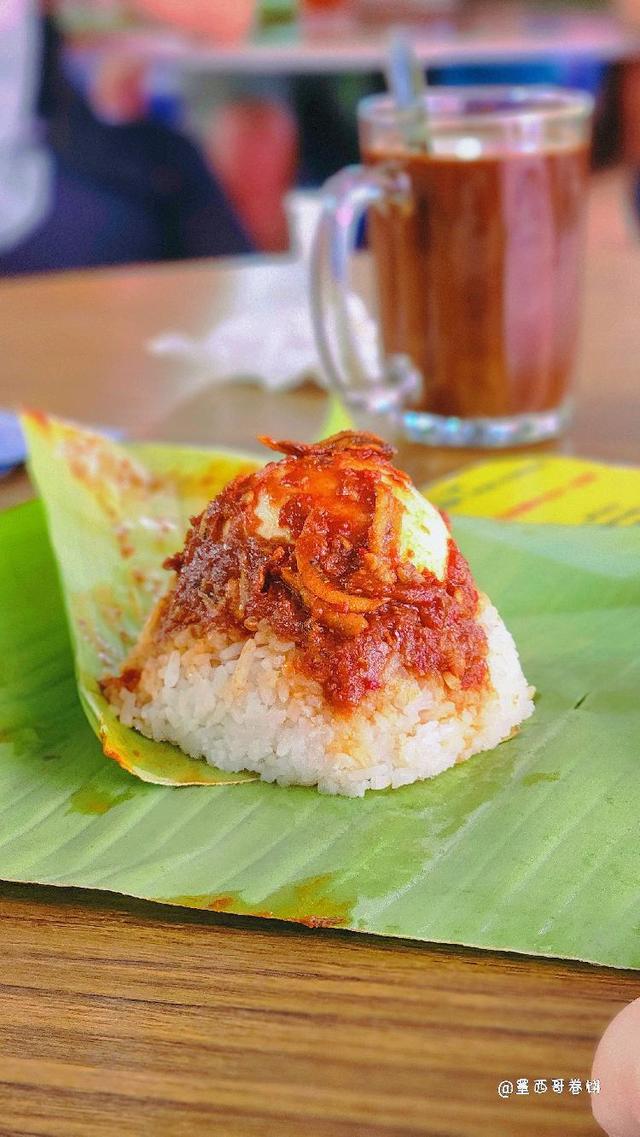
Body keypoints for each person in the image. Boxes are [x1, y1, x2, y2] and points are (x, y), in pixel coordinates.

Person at [0, 0, 253, 275]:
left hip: (37, 155)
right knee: (176, 176)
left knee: (169, 152)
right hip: (17, 207)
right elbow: (231, 19)